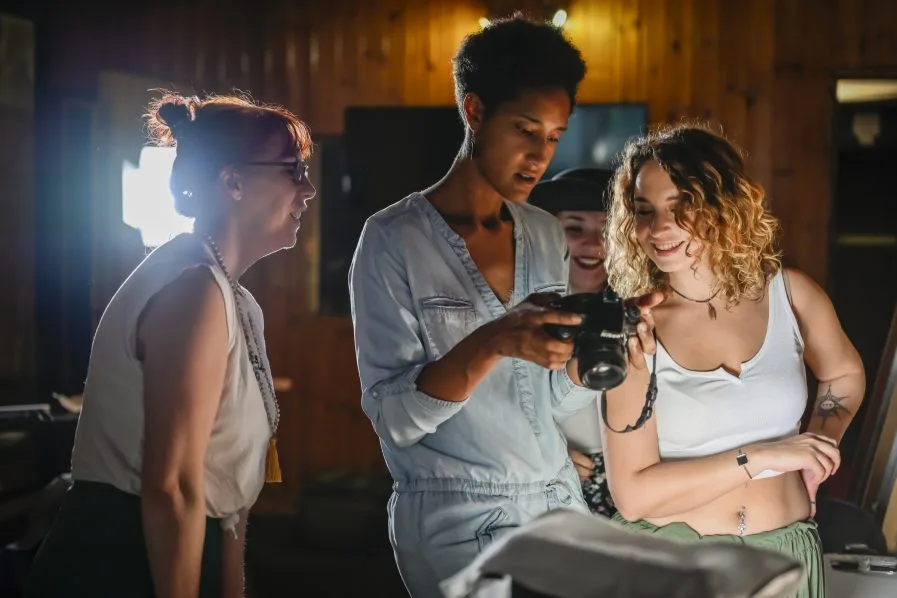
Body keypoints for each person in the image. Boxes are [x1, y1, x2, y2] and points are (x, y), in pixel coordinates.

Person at [349, 16, 657, 598]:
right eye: (525, 129)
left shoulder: (543, 231)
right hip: (458, 518)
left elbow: (548, 398)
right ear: (474, 112)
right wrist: (495, 338)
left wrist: (608, 342)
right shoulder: (393, 240)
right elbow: (395, 418)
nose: (540, 154)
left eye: (554, 136)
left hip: (559, 505)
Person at [25, 92, 316, 598]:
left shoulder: (234, 298)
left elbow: (225, 503)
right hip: (121, 562)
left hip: (178, 550)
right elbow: (173, 488)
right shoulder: (193, 290)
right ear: (233, 182)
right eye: (292, 170)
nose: (308, 189)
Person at [601, 122, 865, 598]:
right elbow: (634, 495)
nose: (659, 229)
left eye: (681, 208)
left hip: (787, 560)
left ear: (726, 205)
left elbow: (843, 375)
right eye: (645, 210)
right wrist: (765, 455)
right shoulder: (633, 329)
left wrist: (820, 446)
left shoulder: (791, 294)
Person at [528, 167, 616, 517]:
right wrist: (546, 456)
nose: (593, 244)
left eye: (607, 230)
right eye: (575, 228)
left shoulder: (646, 307)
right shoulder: (518, 313)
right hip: (545, 485)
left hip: (635, 484)